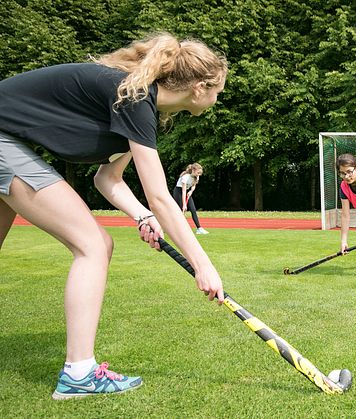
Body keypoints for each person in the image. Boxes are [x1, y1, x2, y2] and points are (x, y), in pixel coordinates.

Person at [0, 32, 228, 400]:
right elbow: (160, 197)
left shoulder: (137, 101)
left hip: (7, 140)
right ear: (200, 87)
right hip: (2, 141)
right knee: (94, 244)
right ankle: (79, 375)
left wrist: (141, 217)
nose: (219, 98)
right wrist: (202, 264)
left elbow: (108, 179)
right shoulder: (136, 96)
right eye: (219, 90)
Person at [173, 163, 209, 234]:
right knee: (180, 210)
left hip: (187, 192)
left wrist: (191, 191)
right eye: (198, 173)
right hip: (178, 192)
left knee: (193, 209)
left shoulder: (196, 177)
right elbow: (183, 191)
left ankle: (199, 228)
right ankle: (174, 228)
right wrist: (184, 205)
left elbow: (193, 186)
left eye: (200, 173)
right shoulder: (185, 177)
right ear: (193, 170)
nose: (199, 174)